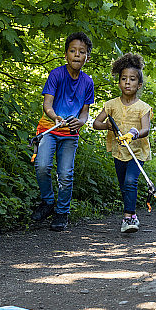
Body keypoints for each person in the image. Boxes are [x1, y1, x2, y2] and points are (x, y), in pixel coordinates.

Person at [31, 32, 95, 231]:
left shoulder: (88, 82)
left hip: (70, 135)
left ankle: (62, 212)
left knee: (66, 174)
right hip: (48, 129)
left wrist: (81, 122)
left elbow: (84, 114)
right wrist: (54, 117)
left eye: (81, 52)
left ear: (87, 57)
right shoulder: (56, 75)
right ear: (66, 54)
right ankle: (48, 202)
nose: (77, 55)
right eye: (72, 51)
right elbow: (47, 104)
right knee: (42, 166)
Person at [92, 53, 152, 234]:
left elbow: (145, 130)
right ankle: (131, 211)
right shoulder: (111, 105)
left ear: (139, 84)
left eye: (132, 79)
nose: (127, 82)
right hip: (119, 152)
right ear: (119, 82)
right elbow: (96, 124)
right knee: (123, 185)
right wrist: (108, 126)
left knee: (131, 181)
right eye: (124, 79)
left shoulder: (143, 107)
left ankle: (129, 217)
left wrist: (133, 134)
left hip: (136, 152)